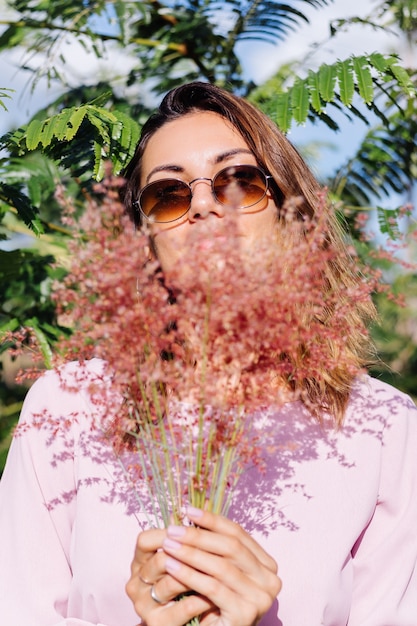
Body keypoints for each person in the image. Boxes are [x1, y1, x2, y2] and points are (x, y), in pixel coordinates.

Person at [0, 81, 416, 626]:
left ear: (292, 211)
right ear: (146, 241)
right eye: (167, 196)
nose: (201, 205)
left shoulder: (384, 428)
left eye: (238, 181)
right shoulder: (69, 405)